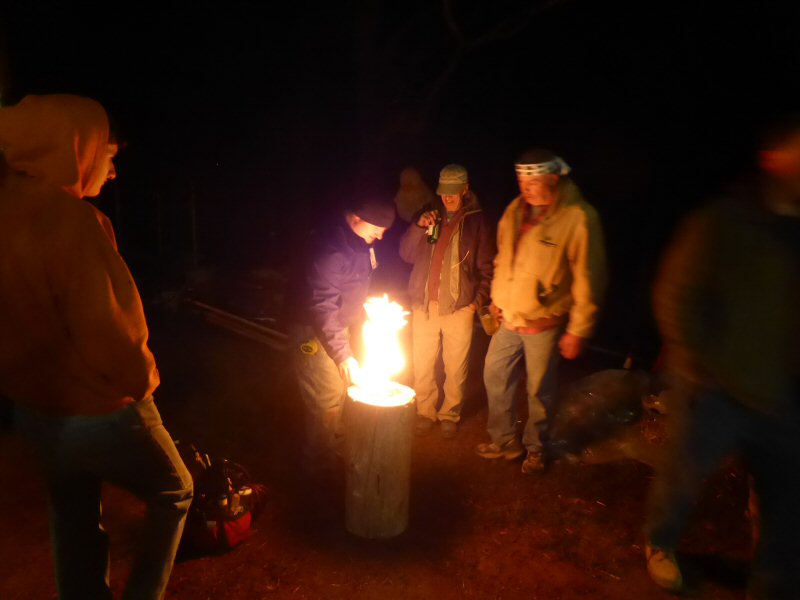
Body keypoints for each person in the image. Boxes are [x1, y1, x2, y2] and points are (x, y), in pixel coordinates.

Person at [0, 94, 193, 599]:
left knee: (72, 509)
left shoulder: (6, 207)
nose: (112, 172)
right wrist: (143, 384)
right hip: (96, 411)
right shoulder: (73, 223)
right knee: (175, 489)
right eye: (108, 157)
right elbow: (112, 331)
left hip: (33, 408)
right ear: (78, 148)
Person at [643, 117, 800, 598]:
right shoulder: (723, 222)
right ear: (773, 160)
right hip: (716, 390)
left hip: (784, 397)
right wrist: (696, 365)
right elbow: (676, 295)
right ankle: (659, 543)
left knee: (787, 504)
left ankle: (773, 584)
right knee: (682, 478)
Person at [476, 149, 607, 474]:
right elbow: (502, 258)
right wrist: (497, 297)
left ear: (552, 178)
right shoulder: (515, 211)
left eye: (532, 180)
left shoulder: (577, 217)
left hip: (544, 323)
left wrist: (579, 329)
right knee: (494, 372)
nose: (525, 187)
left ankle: (537, 448)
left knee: (539, 390)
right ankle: (504, 440)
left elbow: (589, 277)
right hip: (510, 317)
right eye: (521, 179)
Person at [285, 199, 396, 475]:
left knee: (341, 390)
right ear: (357, 217)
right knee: (327, 397)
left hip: (337, 327)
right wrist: (343, 354)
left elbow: (356, 280)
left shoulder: (360, 240)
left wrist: (369, 306)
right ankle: (316, 464)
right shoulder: (331, 247)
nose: (381, 236)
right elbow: (322, 305)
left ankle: (331, 447)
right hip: (313, 331)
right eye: (378, 229)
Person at [399, 164, 494, 438]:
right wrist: (418, 227)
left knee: (455, 366)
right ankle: (425, 412)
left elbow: (487, 267)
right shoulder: (428, 215)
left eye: (453, 192)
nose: (448, 198)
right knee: (423, 363)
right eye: (444, 192)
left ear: (465, 189)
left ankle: (449, 413)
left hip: (459, 307)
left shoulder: (477, 222)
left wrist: (476, 301)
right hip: (424, 304)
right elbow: (405, 254)